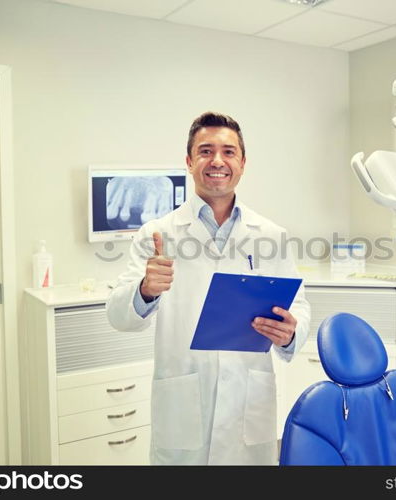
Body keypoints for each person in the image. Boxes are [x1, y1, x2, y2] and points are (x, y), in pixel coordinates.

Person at [106, 111, 310, 465]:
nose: (218, 161)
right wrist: (145, 290)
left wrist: (291, 331)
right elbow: (118, 316)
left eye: (229, 152)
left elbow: (300, 306)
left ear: (243, 163)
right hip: (184, 403)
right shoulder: (158, 233)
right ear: (189, 161)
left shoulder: (271, 235)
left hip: (249, 404)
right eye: (205, 151)